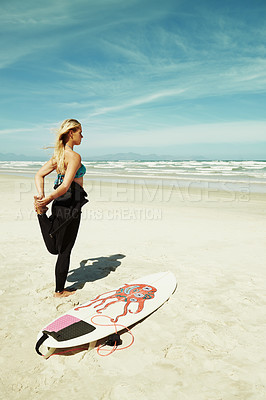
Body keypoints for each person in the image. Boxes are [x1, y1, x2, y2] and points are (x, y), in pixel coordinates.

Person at [34, 119, 88, 298]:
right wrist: (46, 199)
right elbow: (65, 185)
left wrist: (42, 195)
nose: (83, 135)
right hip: (71, 203)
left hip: (60, 203)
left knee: (55, 247)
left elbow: (39, 175)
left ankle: (41, 215)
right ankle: (59, 291)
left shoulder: (58, 155)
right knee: (64, 249)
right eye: (80, 132)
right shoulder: (74, 156)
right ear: (71, 133)